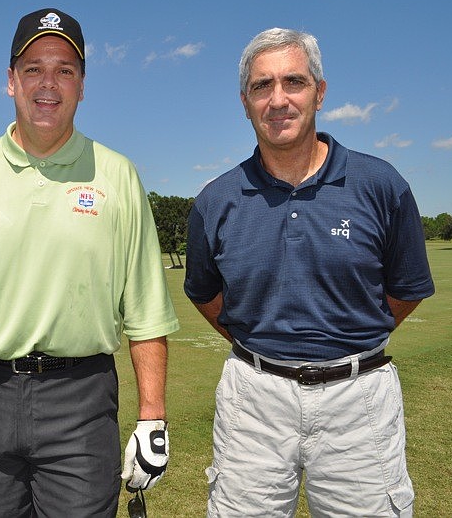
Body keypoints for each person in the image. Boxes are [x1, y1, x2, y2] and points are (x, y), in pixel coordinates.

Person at [0, 8, 179, 517]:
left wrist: (152, 416)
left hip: (81, 402)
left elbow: (145, 310)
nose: (47, 83)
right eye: (33, 68)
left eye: (64, 70)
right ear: (10, 81)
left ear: (82, 85)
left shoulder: (117, 175)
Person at [185, 27, 435, 517]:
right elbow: (205, 294)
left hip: (358, 399)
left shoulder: (381, 184)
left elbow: (406, 290)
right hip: (253, 400)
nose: (278, 100)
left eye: (293, 82)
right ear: (245, 101)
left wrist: (348, 337)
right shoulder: (215, 200)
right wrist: (264, 347)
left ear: (319, 92)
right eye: (262, 86)